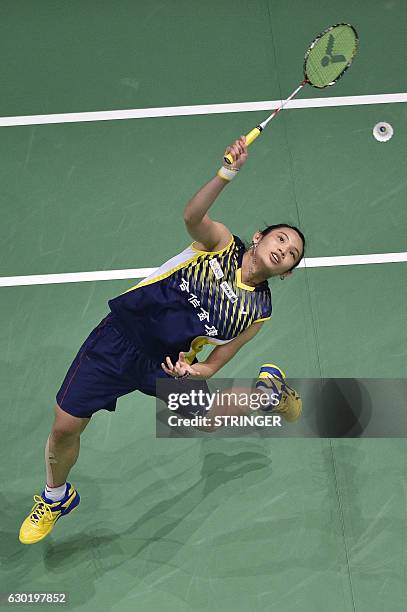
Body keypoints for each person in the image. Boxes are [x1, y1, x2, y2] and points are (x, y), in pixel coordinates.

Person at [19, 136, 305, 545]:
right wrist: (227, 173)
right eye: (281, 240)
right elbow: (192, 216)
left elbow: (215, 362)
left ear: (288, 272)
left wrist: (194, 371)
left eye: (292, 253)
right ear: (259, 237)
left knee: (208, 421)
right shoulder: (220, 244)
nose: (284, 250)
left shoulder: (258, 311)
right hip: (118, 338)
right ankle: (55, 497)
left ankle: (269, 395)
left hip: (166, 366)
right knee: (65, 427)